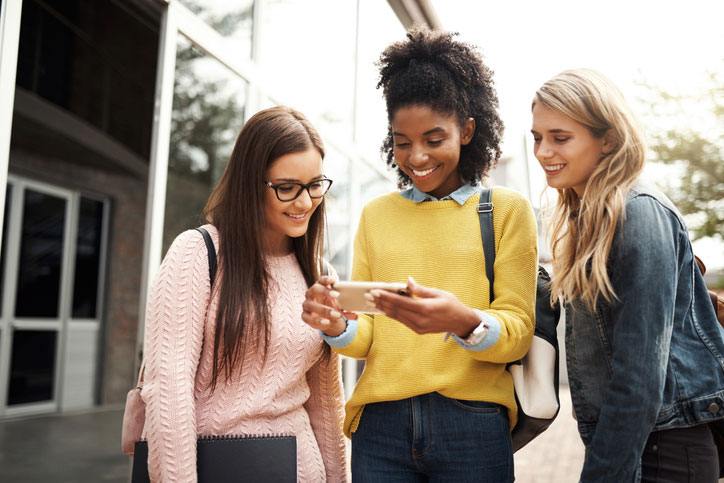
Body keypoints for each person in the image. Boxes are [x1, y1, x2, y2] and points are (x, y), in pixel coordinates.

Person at [302, 28, 538, 482]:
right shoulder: (376, 215)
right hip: (381, 427)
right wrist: (336, 325)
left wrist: (461, 320)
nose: (417, 156)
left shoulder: (505, 210)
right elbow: (368, 334)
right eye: (402, 141)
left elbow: (517, 333)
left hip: (472, 423)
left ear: (467, 130)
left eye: (434, 139)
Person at [531, 68, 724, 482]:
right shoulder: (592, 219)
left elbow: (640, 375)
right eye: (537, 137)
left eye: (559, 138)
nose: (543, 151)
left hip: (664, 453)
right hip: (642, 445)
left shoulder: (637, 213)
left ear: (609, 140)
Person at [141, 106, 346, 483]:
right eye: (287, 188)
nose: (305, 202)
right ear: (251, 183)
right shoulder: (197, 253)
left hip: (302, 471)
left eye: (315, 185)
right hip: (217, 466)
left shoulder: (320, 273)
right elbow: (168, 390)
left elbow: (326, 401)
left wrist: (339, 479)